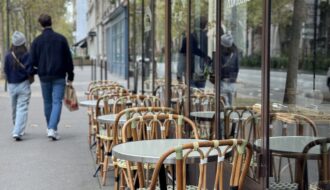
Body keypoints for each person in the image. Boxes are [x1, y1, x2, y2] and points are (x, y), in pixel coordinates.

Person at [29, 14, 74, 140]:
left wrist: (35, 71)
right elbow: (68, 60)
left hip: (44, 76)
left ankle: (51, 128)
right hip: (59, 75)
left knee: (47, 102)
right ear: (51, 22)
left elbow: (32, 60)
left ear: (40, 24)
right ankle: (52, 128)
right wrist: (70, 76)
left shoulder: (37, 41)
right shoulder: (61, 39)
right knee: (56, 101)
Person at [4, 31, 35, 141]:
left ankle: (16, 127)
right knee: (22, 107)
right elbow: (30, 70)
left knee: (14, 107)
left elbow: (5, 71)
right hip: (23, 84)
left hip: (12, 85)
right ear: (23, 43)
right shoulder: (27, 55)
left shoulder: (8, 55)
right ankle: (17, 131)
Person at [178, 17, 211, 87]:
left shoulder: (187, 38)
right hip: (202, 74)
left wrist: (179, 74)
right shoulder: (207, 38)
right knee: (200, 94)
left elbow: (181, 58)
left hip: (190, 72)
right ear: (205, 25)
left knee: (191, 94)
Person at [220, 33, 240, 106]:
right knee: (231, 106)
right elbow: (237, 67)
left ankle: (226, 117)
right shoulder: (235, 52)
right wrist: (233, 78)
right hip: (232, 82)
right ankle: (230, 117)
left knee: (224, 105)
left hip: (222, 82)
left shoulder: (220, 53)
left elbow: (218, 68)